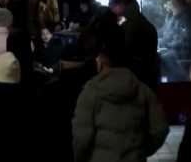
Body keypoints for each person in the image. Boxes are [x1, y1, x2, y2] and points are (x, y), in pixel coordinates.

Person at [72, 24, 168, 161]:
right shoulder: (142, 90)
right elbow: (160, 129)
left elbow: (81, 138)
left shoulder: (90, 92)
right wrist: (141, 150)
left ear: (101, 59)